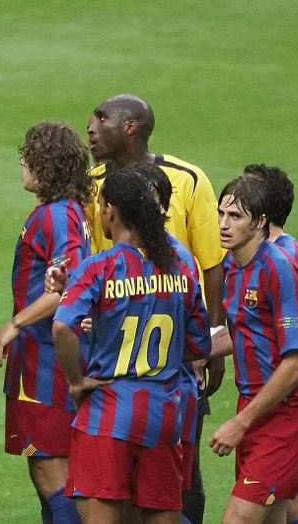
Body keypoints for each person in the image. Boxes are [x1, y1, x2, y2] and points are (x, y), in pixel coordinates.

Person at [84, 94, 225, 524]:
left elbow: (213, 265)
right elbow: (90, 264)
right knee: (119, 479)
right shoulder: (90, 185)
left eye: (102, 118)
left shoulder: (188, 179)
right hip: (113, 354)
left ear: (131, 127)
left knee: (181, 470)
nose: (90, 126)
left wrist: (209, 348)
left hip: (175, 354)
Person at [52, 167, 211, 524]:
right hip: (165, 416)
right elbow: (199, 342)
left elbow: (62, 327)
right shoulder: (180, 268)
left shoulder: (99, 268)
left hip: (109, 414)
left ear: (110, 210)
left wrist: (76, 381)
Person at [0, 121, 93, 524]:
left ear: (45, 164)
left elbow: (68, 286)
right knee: (51, 476)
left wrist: (15, 324)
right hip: (40, 361)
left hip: (46, 365)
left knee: (50, 471)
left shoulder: (57, 217)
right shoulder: (63, 212)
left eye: (28, 155)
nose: (22, 162)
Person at [210, 175, 298, 524]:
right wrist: (197, 352)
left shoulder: (280, 267)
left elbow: (296, 364)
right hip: (258, 406)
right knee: (277, 515)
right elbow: (245, 332)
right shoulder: (232, 265)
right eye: (221, 214)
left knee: (239, 519)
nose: (224, 225)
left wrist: (240, 422)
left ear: (260, 222)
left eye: (236, 217)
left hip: (287, 412)